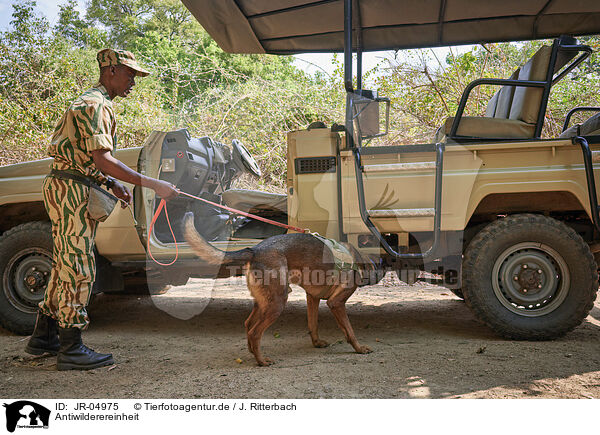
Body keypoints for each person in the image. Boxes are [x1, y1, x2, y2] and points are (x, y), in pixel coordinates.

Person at [25, 48, 179, 370]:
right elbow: (103, 159)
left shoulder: (95, 102)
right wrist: (152, 184)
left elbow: (89, 159)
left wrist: (111, 184)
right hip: (71, 191)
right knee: (80, 267)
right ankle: (71, 347)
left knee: (65, 264)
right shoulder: (95, 104)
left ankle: (44, 335)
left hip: (73, 185)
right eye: (129, 74)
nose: (133, 82)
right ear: (110, 70)